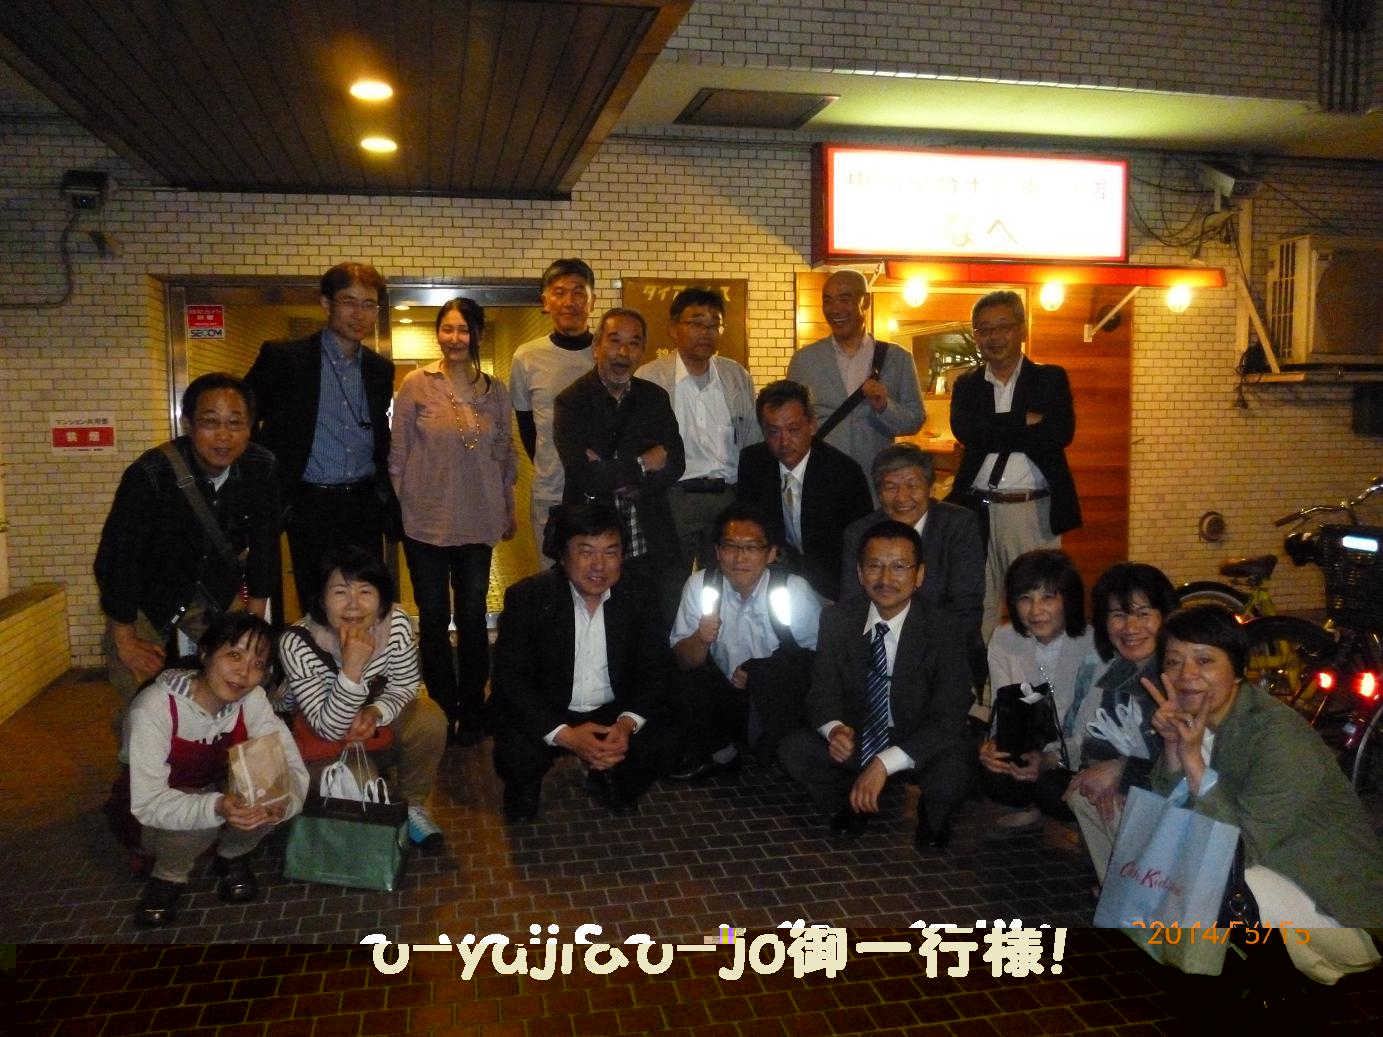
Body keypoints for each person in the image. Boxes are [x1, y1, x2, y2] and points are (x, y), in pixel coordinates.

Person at [1147, 605, 1383, 977]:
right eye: (1174, 662)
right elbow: (1166, 818)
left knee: (1214, 881)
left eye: (1204, 660)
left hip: (1339, 908)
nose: (1186, 675)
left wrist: (1194, 761)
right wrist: (1174, 748)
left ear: (1238, 669)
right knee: (1179, 867)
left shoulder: (1276, 736)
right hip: (1277, 875)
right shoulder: (1200, 720)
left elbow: (1236, 849)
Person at [778, 521, 973, 849]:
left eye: (899, 567)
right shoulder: (837, 620)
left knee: (954, 766)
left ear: (919, 574)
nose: (885, 578)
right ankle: (851, 799)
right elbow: (822, 692)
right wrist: (835, 730)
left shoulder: (945, 628)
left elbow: (950, 714)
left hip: (917, 737)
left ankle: (933, 813)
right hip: (861, 735)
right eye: (874, 566)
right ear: (859, 572)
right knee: (795, 750)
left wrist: (885, 762)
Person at [95, 372, 280, 703]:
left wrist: (251, 628)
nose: (223, 435)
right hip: (148, 597)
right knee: (143, 696)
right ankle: (141, 736)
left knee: (244, 684)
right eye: (210, 422)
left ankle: (224, 736)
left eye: (235, 423)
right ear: (187, 424)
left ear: (250, 427)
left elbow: (265, 546)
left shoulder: (260, 467)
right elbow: (118, 558)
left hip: (215, 590)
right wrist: (125, 640)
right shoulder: (150, 474)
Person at [491, 504, 677, 822]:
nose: (599, 565)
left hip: (611, 711)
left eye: (610, 552)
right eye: (586, 551)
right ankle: (525, 782)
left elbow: (656, 669)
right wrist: (566, 735)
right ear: (563, 556)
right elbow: (510, 681)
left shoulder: (639, 594)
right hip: (550, 707)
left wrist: (626, 725)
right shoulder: (529, 597)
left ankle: (608, 771)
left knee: (668, 732)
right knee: (516, 745)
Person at [125, 612, 308, 928]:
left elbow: (290, 765)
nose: (244, 672)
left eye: (257, 664)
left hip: (221, 796)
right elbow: (148, 802)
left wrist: (280, 804)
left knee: (268, 788)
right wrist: (216, 806)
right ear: (205, 654)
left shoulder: (252, 699)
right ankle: (168, 876)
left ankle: (232, 855)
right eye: (234, 655)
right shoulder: (154, 707)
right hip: (151, 816)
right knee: (202, 817)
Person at [390, 297, 517, 744]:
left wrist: (506, 505)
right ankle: (442, 708)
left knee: (472, 615)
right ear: (438, 334)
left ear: (477, 334)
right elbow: (398, 455)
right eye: (448, 329)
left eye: (464, 329)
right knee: (433, 616)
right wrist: (401, 507)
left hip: (478, 519)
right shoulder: (416, 384)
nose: (455, 338)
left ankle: (473, 707)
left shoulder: (495, 391)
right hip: (424, 521)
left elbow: (505, 455)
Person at [245, 261, 396, 614]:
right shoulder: (285, 358)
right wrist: (260, 474)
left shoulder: (380, 369)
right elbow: (244, 413)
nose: (359, 313)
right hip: (308, 503)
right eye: (349, 302)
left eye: (369, 304)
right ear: (326, 304)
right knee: (316, 599)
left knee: (365, 598)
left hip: (363, 504)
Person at [277, 546, 448, 852]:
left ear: (381, 598)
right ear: (321, 599)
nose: (353, 604)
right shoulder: (296, 643)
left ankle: (411, 806)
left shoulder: (396, 623)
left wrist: (375, 711)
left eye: (365, 591)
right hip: (324, 745)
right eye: (340, 592)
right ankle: (335, 808)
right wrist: (352, 668)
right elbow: (328, 728)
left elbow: (406, 684)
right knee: (359, 784)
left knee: (429, 718)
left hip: (375, 731)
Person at [948, 289, 1080, 640]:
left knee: (1039, 607)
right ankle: (984, 676)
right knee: (978, 609)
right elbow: (966, 432)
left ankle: (1043, 675)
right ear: (976, 336)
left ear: (1022, 328)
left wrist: (991, 429)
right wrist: (1025, 420)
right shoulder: (967, 385)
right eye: (984, 329)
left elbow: (1060, 432)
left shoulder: (1050, 378)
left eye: (1002, 326)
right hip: (977, 511)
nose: (993, 336)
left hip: (1032, 511)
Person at [667, 501, 823, 778]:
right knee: (680, 683)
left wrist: (761, 672)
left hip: (774, 695)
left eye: (751, 547)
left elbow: (817, 660)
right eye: (730, 546)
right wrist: (701, 638)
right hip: (726, 691)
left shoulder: (792, 590)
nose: (739, 558)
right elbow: (682, 660)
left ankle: (772, 745)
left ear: (771, 553)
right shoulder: (700, 585)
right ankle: (722, 752)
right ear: (717, 551)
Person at [1062, 562, 1179, 882]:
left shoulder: (1178, 675)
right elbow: (1100, 743)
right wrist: (1102, 772)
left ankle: (1153, 890)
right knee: (1087, 790)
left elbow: (1189, 762)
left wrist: (1123, 771)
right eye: (1118, 615)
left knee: (1115, 795)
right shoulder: (1121, 672)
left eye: (1143, 613)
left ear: (1166, 616)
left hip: (1185, 799)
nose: (1130, 627)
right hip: (1142, 787)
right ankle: (1120, 890)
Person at [553, 307, 685, 584]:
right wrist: (643, 463)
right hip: (594, 545)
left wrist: (609, 470)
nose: (623, 352)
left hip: (649, 541)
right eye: (614, 341)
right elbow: (585, 476)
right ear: (596, 347)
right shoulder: (572, 402)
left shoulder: (654, 398)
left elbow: (675, 463)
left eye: (633, 344)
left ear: (642, 351)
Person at [635, 286, 759, 568]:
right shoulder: (650, 378)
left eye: (714, 324)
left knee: (725, 581)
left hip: (727, 498)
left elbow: (752, 439)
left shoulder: (736, 376)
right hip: (674, 499)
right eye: (696, 323)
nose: (706, 332)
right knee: (671, 583)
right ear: (673, 329)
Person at [977, 550, 1094, 832]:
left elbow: (1093, 731)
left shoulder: (1093, 646)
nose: (1035, 610)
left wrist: (1050, 760)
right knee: (990, 771)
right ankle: (1036, 808)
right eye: (1025, 598)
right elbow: (1005, 709)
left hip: (1083, 754)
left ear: (1069, 599)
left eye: (1048, 597)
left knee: (1050, 787)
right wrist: (994, 744)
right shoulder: (1005, 639)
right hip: (1032, 747)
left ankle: (1083, 823)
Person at [736, 379, 872, 601]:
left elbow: (860, 546)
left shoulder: (844, 473)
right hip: (773, 580)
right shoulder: (753, 463)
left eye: (793, 430)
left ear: (812, 425)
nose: (784, 441)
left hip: (832, 583)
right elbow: (749, 526)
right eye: (773, 432)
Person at [786, 268, 923, 477]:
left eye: (844, 299)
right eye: (828, 301)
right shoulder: (804, 361)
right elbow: (789, 422)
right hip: (822, 478)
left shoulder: (897, 358)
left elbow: (915, 420)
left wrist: (885, 407)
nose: (835, 309)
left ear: (865, 302)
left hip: (875, 478)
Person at [839, 444, 984, 627]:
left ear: (931, 489)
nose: (902, 497)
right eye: (891, 487)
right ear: (879, 495)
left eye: (912, 485)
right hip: (880, 634)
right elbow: (852, 604)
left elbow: (966, 605)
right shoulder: (859, 534)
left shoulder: (958, 525)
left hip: (944, 635)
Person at [510, 258, 598, 551]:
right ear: (545, 302)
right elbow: (527, 427)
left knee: (600, 569)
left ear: (592, 301)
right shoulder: (526, 356)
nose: (569, 302)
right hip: (551, 491)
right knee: (553, 570)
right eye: (560, 293)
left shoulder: (607, 353)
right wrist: (550, 463)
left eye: (579, 292)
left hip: (602, 490)